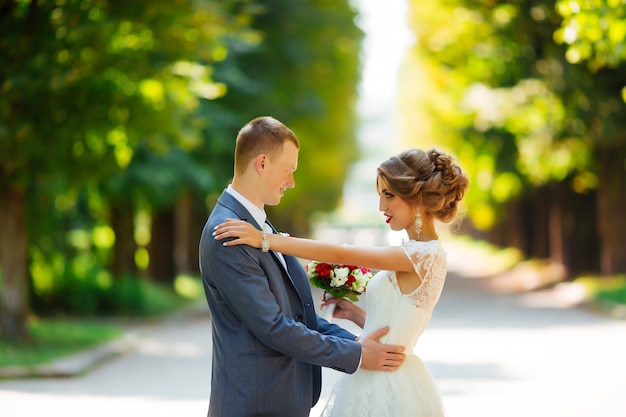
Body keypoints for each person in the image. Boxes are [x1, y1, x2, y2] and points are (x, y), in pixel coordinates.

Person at [213, 147, 470, 416]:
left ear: (417, 199)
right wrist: (358, 315)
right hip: (385, 371)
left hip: (388, 384)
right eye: (380, 195)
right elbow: (400, 324)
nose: (382, 207)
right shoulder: (423, 252)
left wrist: (265, 239)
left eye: (389, 195)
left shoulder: (419, 255)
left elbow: (341, 253)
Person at [198, 116, 406, 417]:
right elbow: (273, 327)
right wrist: (357, 355)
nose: (292, 182)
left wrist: (358, 343)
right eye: (289, 170)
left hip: (278, 401)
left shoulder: (258, 227)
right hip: (254, 405)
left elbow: (300, 317)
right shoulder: (228, 233)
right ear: (262, 163)